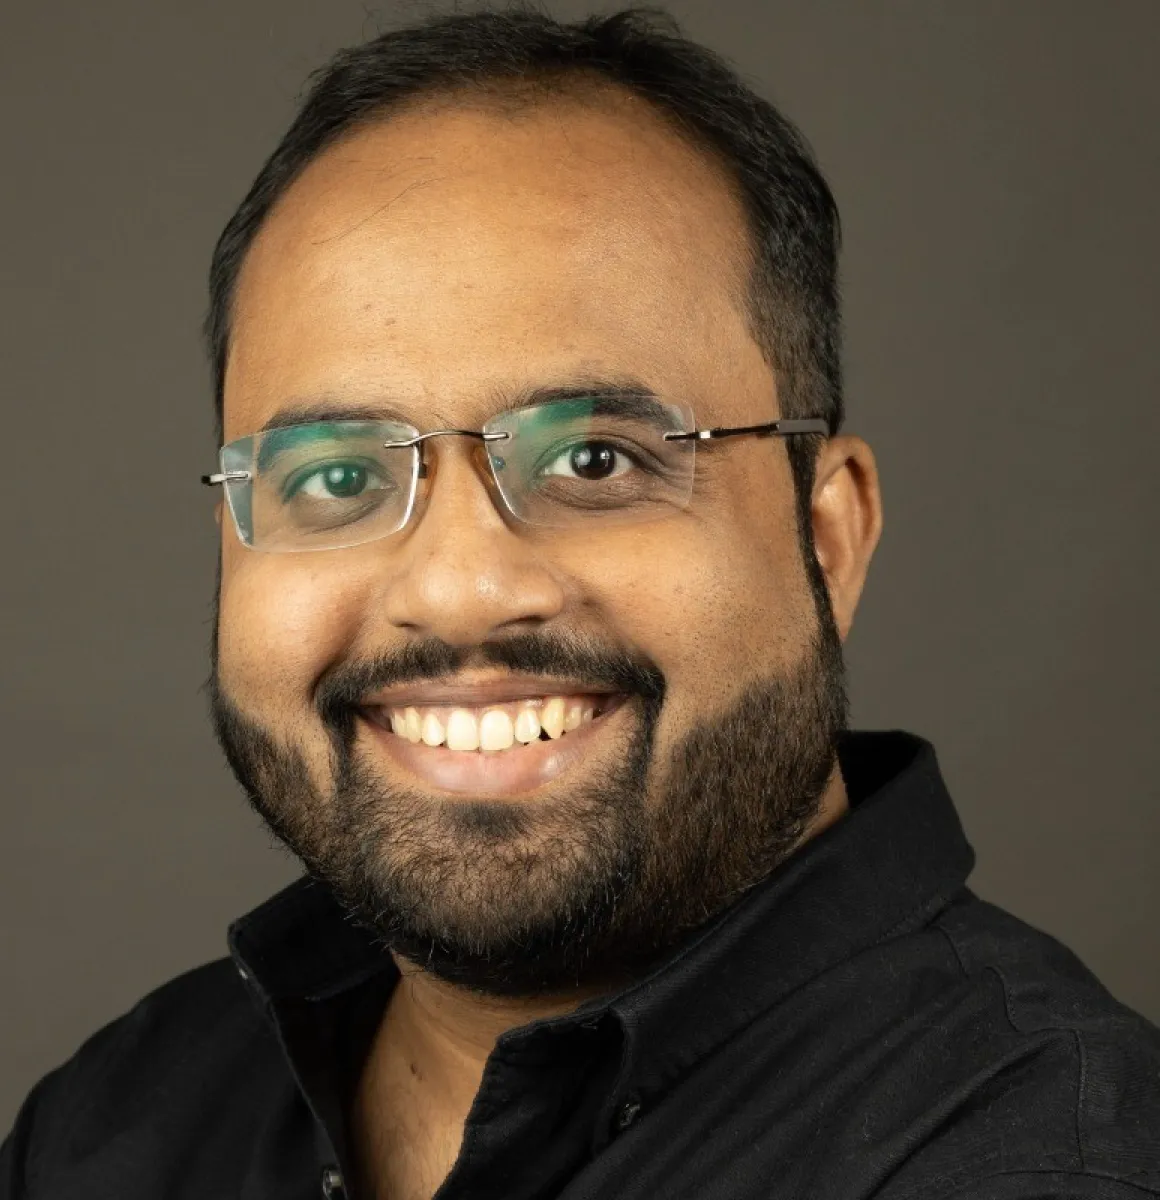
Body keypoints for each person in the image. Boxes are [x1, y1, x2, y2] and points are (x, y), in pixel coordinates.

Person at [4, 7, 1159, 1199]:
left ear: (827, 535)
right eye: (338, 478)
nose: (459, 586)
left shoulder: (1039, 1164)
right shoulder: (117, 1125)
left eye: (596, 460)